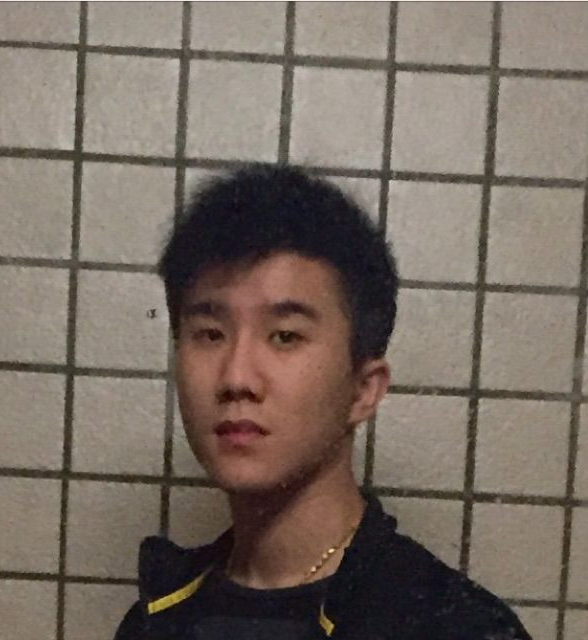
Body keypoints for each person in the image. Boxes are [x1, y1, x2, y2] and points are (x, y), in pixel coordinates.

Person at [114, 165, 531, 640]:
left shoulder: (455, 627)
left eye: (285, 336)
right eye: (210, 334)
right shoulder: (155, 620)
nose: (236, 378)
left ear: (364, 389)